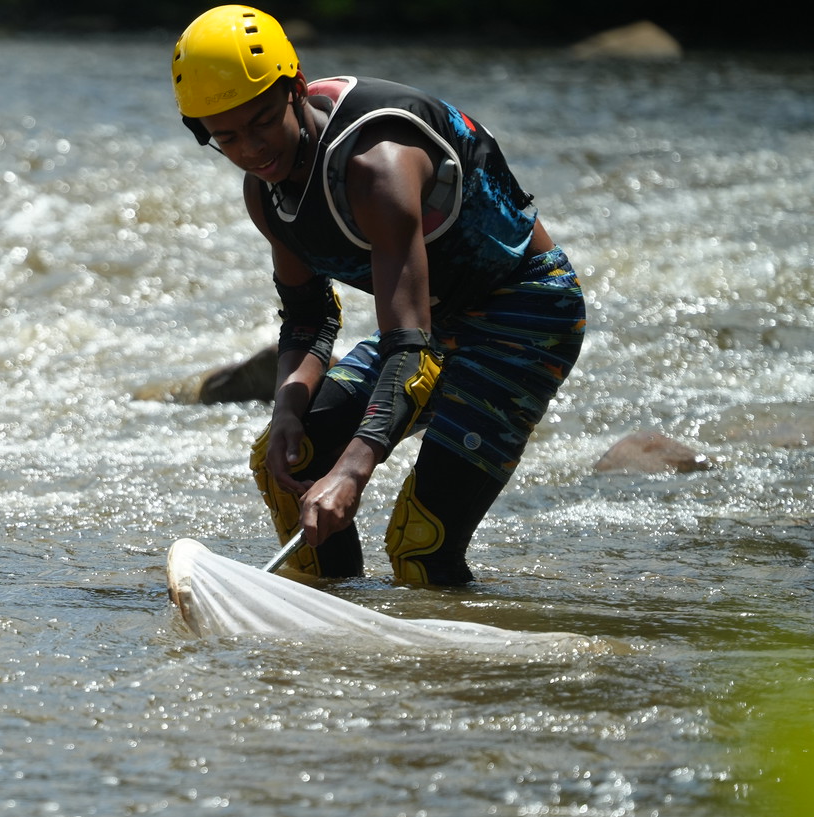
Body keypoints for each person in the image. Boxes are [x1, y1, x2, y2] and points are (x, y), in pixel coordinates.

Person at [171, 5, 586, 585]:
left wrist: (354, 470)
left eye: (263, 122)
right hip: (433, 321)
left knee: (420, 543)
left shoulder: (376, 167)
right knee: (291, 460)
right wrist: (288, 409)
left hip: (523, 313)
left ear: (294, 89)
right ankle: (334, 621)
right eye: (227, 137)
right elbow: (308, 318)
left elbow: (410, 352)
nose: (251, 150)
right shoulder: (266, 193)